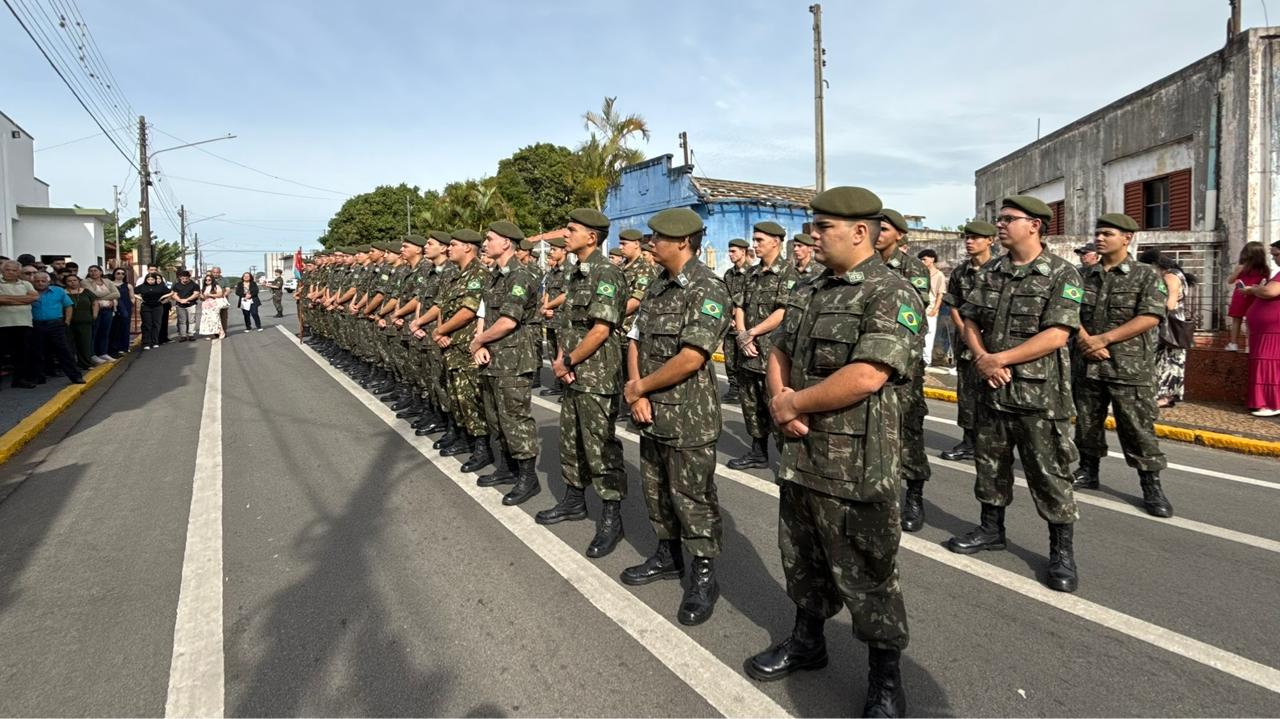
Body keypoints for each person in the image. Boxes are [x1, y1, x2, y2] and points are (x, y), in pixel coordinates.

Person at [743, 187, 913, 716]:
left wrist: (794, 402)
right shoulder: (809, 288)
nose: (812, 237)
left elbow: (867, 374)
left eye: (822, 228)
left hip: (856, 464)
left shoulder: (890, 293)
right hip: (801, 455)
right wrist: (781, 402)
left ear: (859, 232)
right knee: (802, 556)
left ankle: (885, 679)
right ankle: (807, 640)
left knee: (868, 572)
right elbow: (780, 349)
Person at [948, 195, 1082, 593]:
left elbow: (1057, 334)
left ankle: (1061, 552)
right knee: (990, 464)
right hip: (992, 388)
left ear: (1035, 225)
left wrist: (998, 358)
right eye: (1000, 218)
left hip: (1039, 396)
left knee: (1049, 472)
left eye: (1009, 219)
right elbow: (970, 319)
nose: (1000, 225)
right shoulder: (992, 272)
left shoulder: (1062, 274)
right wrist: (984, 358)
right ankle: (991, 530)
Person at [622, 208, 731, 626]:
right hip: (650, 411)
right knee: (657, 492)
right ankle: (668, 556)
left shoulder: (707, 289)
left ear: (683, 241)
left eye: (657, 238)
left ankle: (704, 575)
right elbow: (635, 339)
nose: (651, 244)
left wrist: (641, 388)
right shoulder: (656, 287)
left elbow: (692, 357)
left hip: (688, 417)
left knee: (693, 498)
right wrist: (636, 391)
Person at [536, 208, 630, 559]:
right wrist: (562, 359)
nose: (565, 234)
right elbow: (566, 324)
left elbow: (601, 329)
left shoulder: (607, 274)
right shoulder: (576, 272)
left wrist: (570, 360)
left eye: (571, 229)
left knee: (599, 448)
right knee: (571, 441)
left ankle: (611, 518)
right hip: (572, 371)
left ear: (592, 237)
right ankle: (574, 500)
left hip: (596, 376)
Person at [1071, 214, 1173, 518]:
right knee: (1087, 421)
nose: (1099, 239)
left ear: (1127, 237)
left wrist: (1104, 339)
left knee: (1137, 428)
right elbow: (1069, 311)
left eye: (1107, 234)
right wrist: (1086, 340)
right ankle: (1088, 470)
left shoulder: (1145, 276)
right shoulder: (1084, 275)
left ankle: (1150, 485)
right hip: (1087, 363)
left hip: (1129, 368)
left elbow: (1150, 317)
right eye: (1097, 233)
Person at [468, 221, 541, 505]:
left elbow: (509, 321)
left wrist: (478, 342)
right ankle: (507, 468)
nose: (485, 244)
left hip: (513, 358)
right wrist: (479, 343)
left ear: (506, 243)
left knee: (515, 419)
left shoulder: (519, 276)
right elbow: (483, 314)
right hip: (491, 357)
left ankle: (527, 477)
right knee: (496, 417)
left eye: (489, 239)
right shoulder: (494, 276)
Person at [730, 220, 800, 470]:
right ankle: (758, 452)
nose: (754, 244)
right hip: (748, 352)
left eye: (760, 240)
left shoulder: (789, 275)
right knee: (751, 405)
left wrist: (751, 333)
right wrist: (741, 336)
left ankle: (789, 461)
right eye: (754, 239)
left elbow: (783, 311)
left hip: (773, 355)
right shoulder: (751, 273)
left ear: (776, 242)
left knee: (778, 406)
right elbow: (739, 305)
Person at [877, 209, 931, 533]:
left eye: (883, 229)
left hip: (903, 367)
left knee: (909, 432)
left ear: (900, 234)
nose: (876, 233)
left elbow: (912, 315)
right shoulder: (863, 265)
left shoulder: (914, 269)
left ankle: (914, 495)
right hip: (868, 364)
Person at [429, 230, 492, 472]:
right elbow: (442, 307)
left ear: (468, 247)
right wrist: (440, 331)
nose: (448, 248)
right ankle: (465, 438)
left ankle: (482, 448)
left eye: (453, 245)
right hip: (450, 345)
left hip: (467, 348)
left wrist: (440, 331)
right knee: (456, 397)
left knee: (471, 399)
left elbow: (468, 311)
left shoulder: (478, 274)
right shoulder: (455, 275)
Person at [940, 221, 997, 460]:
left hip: (994, 344)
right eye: (967, 237)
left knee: (995, 395)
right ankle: (969, 442)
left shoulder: (1000, 270)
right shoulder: (960, 272)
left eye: (976, 237)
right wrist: (965, 331)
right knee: (967, 394)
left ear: (990, 241)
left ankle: (993, 445)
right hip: (966, 343)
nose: (969, 241)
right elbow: (953, 304)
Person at [1138, 248, 1197, 408]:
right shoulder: (1176, 275)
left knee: (1167, 360)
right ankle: (1165, 395)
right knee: (1170, 360)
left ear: (1154, 264)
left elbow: (1170, 304)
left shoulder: (1170, 277)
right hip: (1173, 322)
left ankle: (1164, 396)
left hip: (1169, 324)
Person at [1239, 241, 1280, 416]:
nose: (1273, 257)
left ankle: (1270, 403)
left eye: (1276, 254)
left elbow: (1269, 292)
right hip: (1265, 330)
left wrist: (1254, 289)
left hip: (1273, 330)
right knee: (1262, 361)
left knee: (1267, 362)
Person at [28, 271, 85, 384]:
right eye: (37, 281)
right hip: (36, 324)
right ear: (32, 282)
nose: (40, 283)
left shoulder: (58, 291)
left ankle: (75, 376)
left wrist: (67, 321)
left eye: (43, 281)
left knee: (64, 351)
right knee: (37, 352)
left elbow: (68, 306)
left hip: (56, 324)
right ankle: (38, 377)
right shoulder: (29, 292)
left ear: (48, 281)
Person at [720, 238, 751, 404]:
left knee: (745, 359)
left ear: (743, 252)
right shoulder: (728, 274)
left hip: (744, 324)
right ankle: (734, 388)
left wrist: (737, 317)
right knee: (730, 357)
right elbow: (725, 297)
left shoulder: (752, 273)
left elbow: (747, 301)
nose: (730, 254)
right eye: (729, 251)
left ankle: (746, 389)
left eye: (734, 251)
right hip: (729, 326)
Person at [0, 260, 39, 388]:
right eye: (8, 269)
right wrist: (23, 300)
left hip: (24, 323)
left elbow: (34, 297)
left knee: (21, 353)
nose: (11, 272)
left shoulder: (26, 283)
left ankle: (19, 380)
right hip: (3, 323)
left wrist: (7, 300)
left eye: (14, 270)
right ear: (2, 270)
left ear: (19, 272)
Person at [1225, 241, 1270, 351]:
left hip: (1251, 296)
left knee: (1247, 320)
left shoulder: (1263, 269)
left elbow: (1266, 282)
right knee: (1238, 319)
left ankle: (1245, 345)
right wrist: (1236, 272)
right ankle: (1237, 344)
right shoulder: (1243, 267)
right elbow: (1230, 281)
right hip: (1244, 296)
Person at [82, 265, 119, 363]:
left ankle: (103, 353)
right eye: (91, 271)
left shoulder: (107, 281)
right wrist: (108, 296)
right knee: (94, 332)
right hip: (95, 310)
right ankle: (92, 354)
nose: (93, 272)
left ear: (101, 272)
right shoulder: (85, 282)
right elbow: (93, 294)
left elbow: (117, 294)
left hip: (107, 310)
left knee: (105, 332)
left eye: (95, 270)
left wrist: (101, 298)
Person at [917, 249, 946, 366]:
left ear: (932, 259)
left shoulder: (939, 275)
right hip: (918, 309)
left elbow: (940, 293)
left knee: (928, 336)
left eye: (924, 259)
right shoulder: (919, 273)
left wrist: (935, 309)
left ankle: (926, 361)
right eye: (921, 259)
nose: (922, 261)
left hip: (930, 310)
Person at [63, 274, 98, 369]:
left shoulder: (86, 291)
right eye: (69, 281)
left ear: (78, 281)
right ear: (65, 282)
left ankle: (86, 363)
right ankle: (71, 365)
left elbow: (95, 302)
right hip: (68, 322)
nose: (72, 282)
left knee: (85, 343)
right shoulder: (63, 293)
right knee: (69, 344)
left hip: (85, 320)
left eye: (74, 280)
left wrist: (94, 315)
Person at [135, 272, 173, 349]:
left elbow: (171, 292)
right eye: (148, 279)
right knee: (147, 324)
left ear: (155, 280)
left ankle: (155, 342)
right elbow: (133, 292)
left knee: (156, 324)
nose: (150, 281)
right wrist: (139, 298)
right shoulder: (142, 286)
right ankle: (146, 343)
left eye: (152, 279)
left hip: (158, 307)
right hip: (146, 307)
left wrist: (162, 297)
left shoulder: (160, 287)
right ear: (146, 279)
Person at [108, 268, 135, 357]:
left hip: (126, 307)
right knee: (114, 328)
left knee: (125, 327)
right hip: (114, 307)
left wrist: (131, 303)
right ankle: (114, 347)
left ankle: (124, 347)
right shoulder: (109, 284)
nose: (120, 275)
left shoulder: (128, 285)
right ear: (114, 274)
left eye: (122, 273)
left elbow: (132, 296)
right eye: (118, 273)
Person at [171, 270, 200, 341]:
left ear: (189, 277)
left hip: (191, 304)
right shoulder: (176, 285)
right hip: (180, 305)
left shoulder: (194, 285)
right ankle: (183, 335)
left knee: (191, 320)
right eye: (182, 278)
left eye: (186, 278)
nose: (184, 279)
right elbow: (174, 294)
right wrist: (180, 300)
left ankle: (191, 334)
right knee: (182, 321)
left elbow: (196, 294)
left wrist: (186, 300)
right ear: (180, 278)